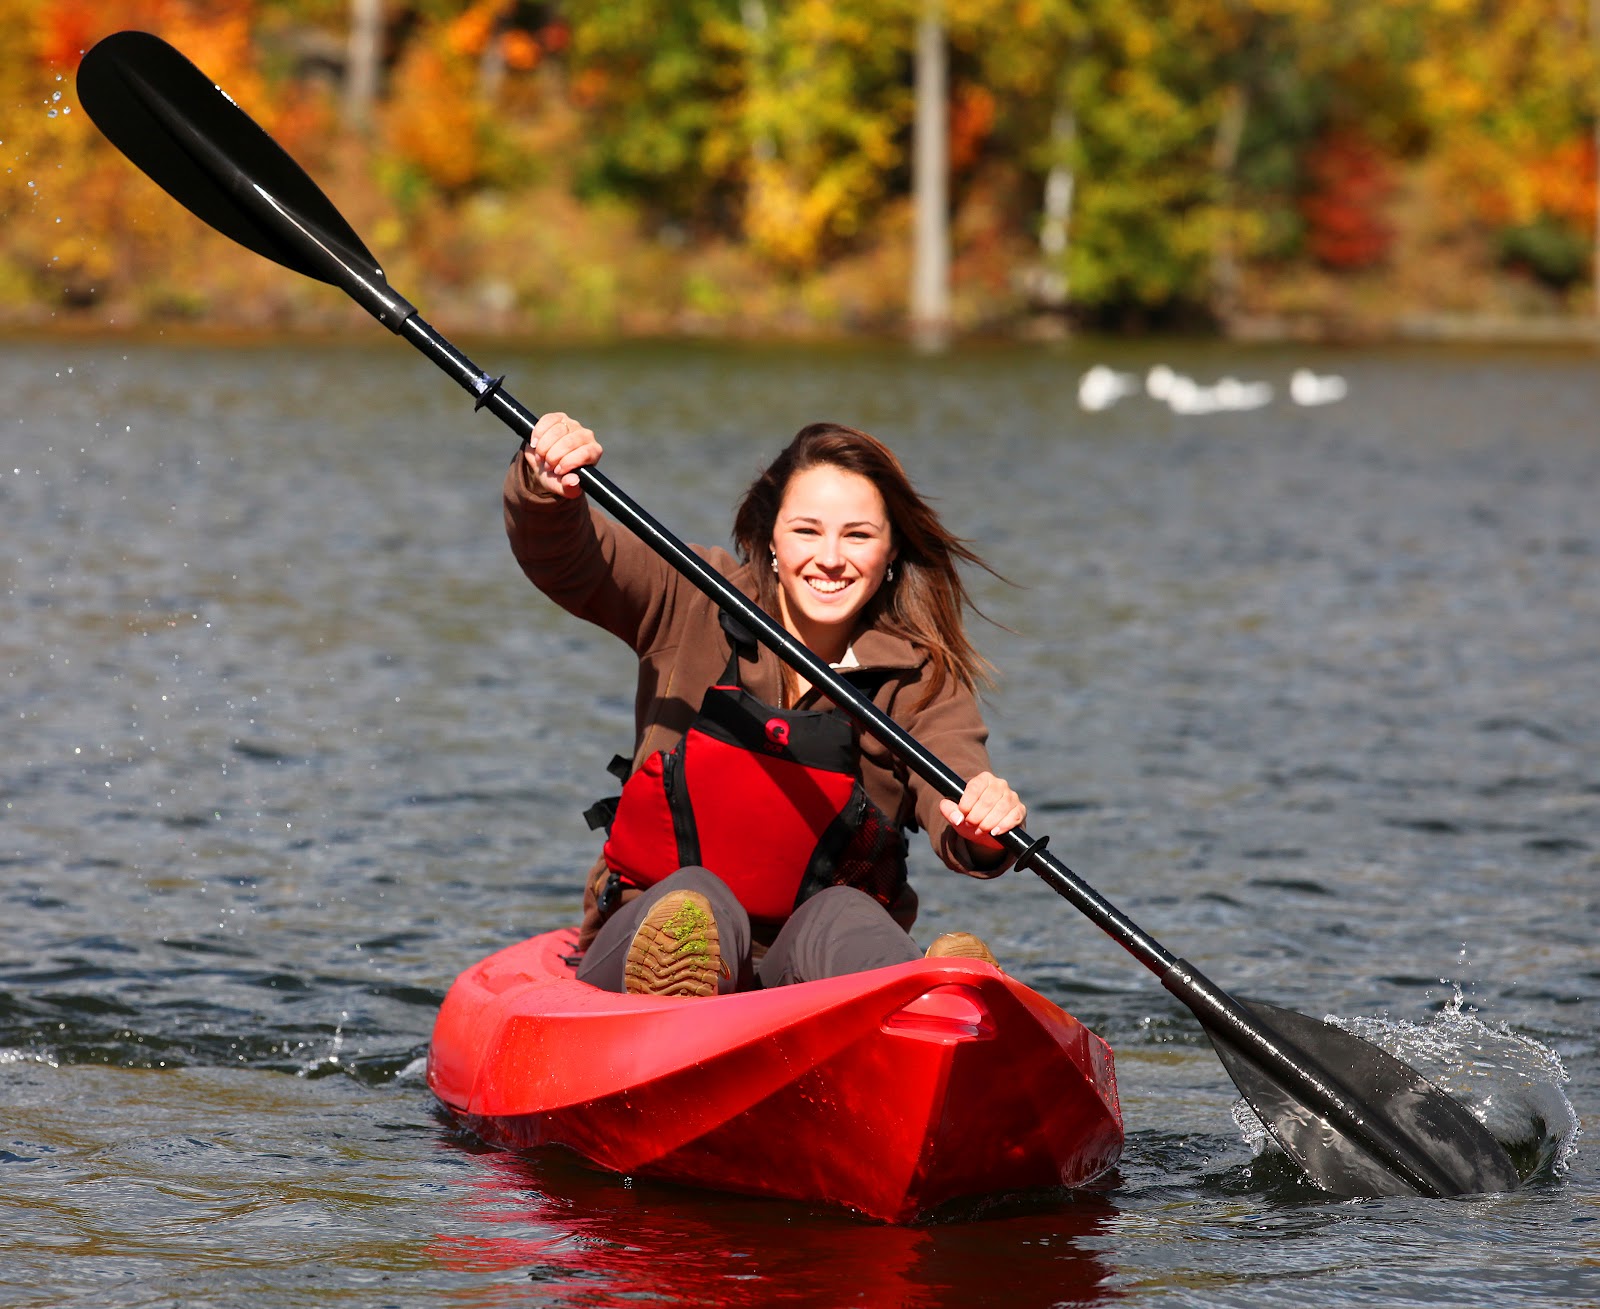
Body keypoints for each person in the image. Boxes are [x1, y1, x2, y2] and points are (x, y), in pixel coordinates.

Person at [504, 412, 1026, 997]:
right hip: (644, 936)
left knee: (844, 915)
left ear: (891, 552)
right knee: (698, 902)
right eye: (807, 531)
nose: (830, 558)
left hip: (805, 978)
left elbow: (956, 782)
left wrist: (981, 821)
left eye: (857, 535)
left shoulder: (919, 676)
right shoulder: (692, 594)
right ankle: (679, 988)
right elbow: (570, 559)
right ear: (771, 538)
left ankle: (931, 995)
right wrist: (546, 488)